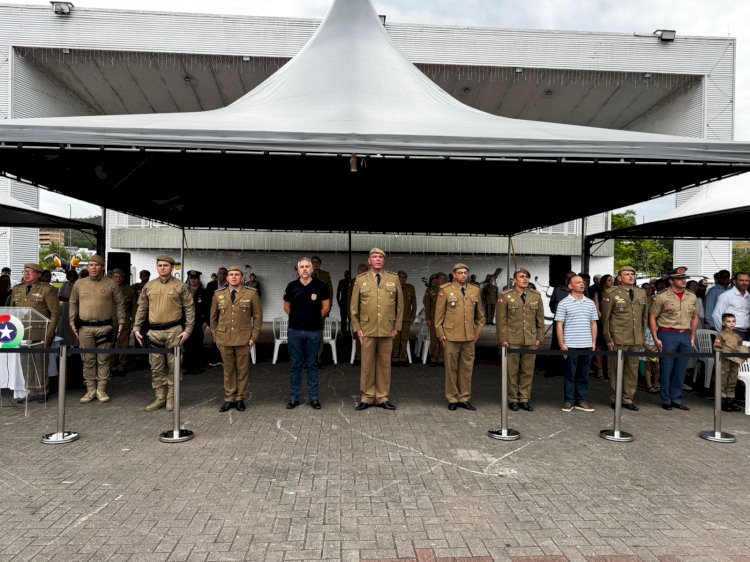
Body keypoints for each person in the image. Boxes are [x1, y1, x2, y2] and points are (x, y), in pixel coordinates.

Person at [133, 255, 195, 412]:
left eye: (166, 265)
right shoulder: (149, 286)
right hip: (154, 332)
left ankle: (171, 399)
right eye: (160, 265)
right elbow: (142, 308)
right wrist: (136, 327)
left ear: (172, 267)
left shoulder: (180, 286)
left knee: (174, 367)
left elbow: (189, 308)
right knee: (156, 367)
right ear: (156, 267)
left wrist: (188, 329)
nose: (162, 268)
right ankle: (160, 398)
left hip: (174, 331)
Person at [350, 247, 403, 411]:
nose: (378, 259)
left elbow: (400, 306)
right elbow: (353, 307)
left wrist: (397, 327)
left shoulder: (393, 278)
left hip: (387, 328)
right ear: (369, 260)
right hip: (367, 329)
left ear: (384, 260)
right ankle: (366, 397)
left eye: (381, 257)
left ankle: (382, 397)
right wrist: (357, 328)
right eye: (375, 256)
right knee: (367, 364)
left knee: (384, 365)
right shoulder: (360, 279)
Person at [69, 255, 125, 403]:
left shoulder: (112, 284)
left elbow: (120, 304)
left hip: (105, 327)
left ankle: (101, 390)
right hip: (85, 328)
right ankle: (90, 390)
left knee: (103, 359)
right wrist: (71, 321)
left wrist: (121, 322)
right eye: (91, 265)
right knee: (88, 360)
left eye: (96, 265)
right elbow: (73, 302)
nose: (93, 267)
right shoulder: (79, 284)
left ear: (103, 267)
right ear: (87, 267)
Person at [210, 266, 262, 412]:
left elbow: (258, 317)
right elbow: (213, 318)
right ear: (226, 278)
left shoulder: (251, 294)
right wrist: (216, 337)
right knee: (228, 370)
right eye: (231, 275)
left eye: (237, 275)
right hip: (224, 338)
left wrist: (254, 337)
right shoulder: (218, 294)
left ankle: (240, 398)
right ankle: (229, 398)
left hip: (243, 338)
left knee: (242, 369)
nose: (233, 277)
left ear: (241, 278)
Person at [434, 263, 485, 410]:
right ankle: (452, 398)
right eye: (460, 273)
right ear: (454, 275)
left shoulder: (475, 290)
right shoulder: (445, 290)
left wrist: (477, 332)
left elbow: (480, 316)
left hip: (469, 336)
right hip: (451, 335)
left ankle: (464, 398)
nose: (463, 275)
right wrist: (441, 334)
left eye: (465, 273)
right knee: (451, 369)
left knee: (467, 369)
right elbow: (438, 316)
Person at [7, 263, 60, 401]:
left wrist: (50, 333)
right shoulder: (17, 290)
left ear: (38, 275)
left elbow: (55, 313)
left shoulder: (48, 290)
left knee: (40, 363)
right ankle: (31, 391)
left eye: (30, 272)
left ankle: (42, 391)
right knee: (26, 363)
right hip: (21, 332)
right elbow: (12, 311)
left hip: (40, 333)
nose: (26, 274)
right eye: (25, 272)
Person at [649, 266, 699, 411]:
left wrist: (692, 336)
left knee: (681, 368)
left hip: (685, 334)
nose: (683, 281)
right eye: (679, 279)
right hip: (667, 333)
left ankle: (677, 399)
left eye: (684, 278)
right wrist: (655, 337)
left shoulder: (691, 296)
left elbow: (694, 317)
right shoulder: (662, 296)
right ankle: (666, 399)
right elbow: (652, 316)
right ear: (671, 281)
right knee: (667, 367)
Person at [283, 257, 330, 409]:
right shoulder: (291, 286)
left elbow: (326, 307)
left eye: (307, 266)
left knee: (312, 365)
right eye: (301, 267)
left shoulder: (321, 286)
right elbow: (287, 307)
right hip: (295, 331)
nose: (304, 269)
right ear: (297, 269)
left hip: (314, 331)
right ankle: (294, 398)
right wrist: (298, 319)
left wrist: (313, 319)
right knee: (296, 365)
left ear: (312, 269)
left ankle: (314, 398)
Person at [496, 268, 545, 411]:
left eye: (527, 277)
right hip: (512, 338)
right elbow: (501, 320)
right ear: (515, 280)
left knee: (528, 370)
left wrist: (539, 338)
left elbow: (540, 319)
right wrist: (503, 338)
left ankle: (524, 398)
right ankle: (512, 398)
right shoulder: (506, 296)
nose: (525, 279)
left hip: (531, 339)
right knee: (512, 370)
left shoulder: (535, 296)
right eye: (522, 277)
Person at [600, 266, 648, 411]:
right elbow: (606, 318)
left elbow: (644, 316)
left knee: (632, 370)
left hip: (635, 338)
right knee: (616, 370)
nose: (631, 276)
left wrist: (642, 335)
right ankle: (615, 398)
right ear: (619, 278)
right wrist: (608, 338)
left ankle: (628, 398)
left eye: (632, 274)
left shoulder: (641, 293)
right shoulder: (611, 293)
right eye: (627, 274)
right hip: (618, 337)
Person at [555, 275, 599, 412]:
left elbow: (593, 324)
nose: (582, 284)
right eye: (578, 282)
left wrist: (593, 342)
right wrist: (562, 344)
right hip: (571, 345)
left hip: (586, 344)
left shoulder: (590, 303)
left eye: (583, 282)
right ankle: (569, 401)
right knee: (570, 375)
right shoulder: (563, 303)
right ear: (570, 286)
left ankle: (581, 400)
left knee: (583, 374)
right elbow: (559, 325)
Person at [714, 313, 745, 412]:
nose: (731, 324)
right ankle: (721, 402)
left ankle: (730, 400)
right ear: (723, 323)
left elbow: (739, 347)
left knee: (732, 380)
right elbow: (717, 347)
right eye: (729, 321)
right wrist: (726, 354)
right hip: (724, 361)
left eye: (733, 321)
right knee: (723, 380)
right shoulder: (721, 334)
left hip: (734, 362)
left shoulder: (737, 336)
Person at [110, 268, 137, 376]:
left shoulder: (129, 290)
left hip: (125, 321)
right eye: (115, 277)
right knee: (110, 344)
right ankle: (111, 366)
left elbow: (134, 307)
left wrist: (134, 320)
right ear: (112, 278)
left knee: (123, 344)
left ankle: (121, 366)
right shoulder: (107, 289)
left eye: (120, 277)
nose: (118, 279)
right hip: (110, 321)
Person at [184, 270, 211, 375]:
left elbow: (208, 308)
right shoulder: (184, 292)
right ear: (188, 279)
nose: (193, 280)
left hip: (198, 322)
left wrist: (205, 322)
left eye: (195, 278)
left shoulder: (204, 292)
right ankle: (189, 367)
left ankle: (198, 367)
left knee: (197, 344)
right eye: (191, 278)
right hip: (186, 322)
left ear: (199, 280)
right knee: (187, 345)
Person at [711, 272, 750, 340]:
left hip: (746, 333)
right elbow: (716, 315)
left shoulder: (748, 296)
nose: (744, 283)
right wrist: (724, 332)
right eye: (741, 280)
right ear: (735, 281)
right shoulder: (726, 295)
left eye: (747, 280)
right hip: (732, 332)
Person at [392, 270, 416, 367]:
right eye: (400, 277)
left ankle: (402, 357)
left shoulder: (410, 288)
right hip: (395, 318)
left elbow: (414, 304)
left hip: (406, 318)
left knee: (404, 338)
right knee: (396, 338)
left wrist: (412, 316)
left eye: (404, 277)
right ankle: (395, 357)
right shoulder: (392, 288)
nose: (402, 279)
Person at [424, 272, 447, 366]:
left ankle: (442, 357)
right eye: (441, 278)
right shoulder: (430, 290)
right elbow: (427, 305)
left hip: (445, 319)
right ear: (437, 280)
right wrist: (428, 318)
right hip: (434, 319)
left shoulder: (448, 290)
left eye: (444, 279)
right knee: (434, 338)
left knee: (444, 338)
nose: (443, 280)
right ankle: (434, 357)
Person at [336, 270, 351, 335]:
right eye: (345, 274)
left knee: (351, 318)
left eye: (348, 274)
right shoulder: (341, 282)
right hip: (343, 302)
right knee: (343, 318)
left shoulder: (352, 281)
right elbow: (338, 293)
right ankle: (343, 332)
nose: (346, 275)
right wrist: (339, 303)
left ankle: (350, 331)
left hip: (350, 302)